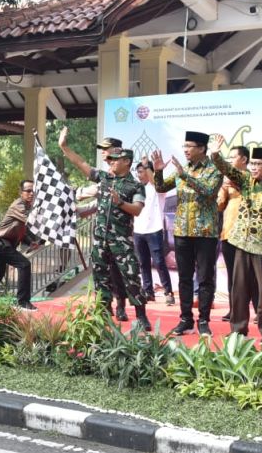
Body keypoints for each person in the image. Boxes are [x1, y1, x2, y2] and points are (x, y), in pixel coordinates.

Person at [59, 130, 151, 329]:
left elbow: (136, 210)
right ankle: (104, 313)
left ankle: (141, 316)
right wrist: (64, 147)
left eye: (114, 160)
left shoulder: (135, 186)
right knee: (101, 279)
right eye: (109, 160)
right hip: (100, 240)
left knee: (132, 278)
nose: (110, 162)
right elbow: (81, 163)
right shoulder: (103, 178)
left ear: (126, 161)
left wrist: (120, 203)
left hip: (121, 241)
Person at [211, 138, 262, 344]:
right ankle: (238, 330)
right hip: (241, 243)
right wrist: (215, 154)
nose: (254, 167)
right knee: (238, 289)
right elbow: (226, 169)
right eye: (253, 164)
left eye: (259, 164)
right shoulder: (246, 180)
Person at [152, 131, 223, 336]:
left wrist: (184, 175)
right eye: (184, 146)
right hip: (182, 231)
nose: (185, 150)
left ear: (201, 148)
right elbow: (160, 187)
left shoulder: (214, 169)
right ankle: (185, 319)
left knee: (205, 278)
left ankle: (203, 321)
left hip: (205, 233)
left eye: (189, 146)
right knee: (184, 278)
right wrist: (157, 172)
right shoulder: (183, 170)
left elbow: (209, 191)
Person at [0, 179, 41, 311]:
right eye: (28, 191)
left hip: (2, 244)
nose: (31, 193)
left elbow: (21, 229)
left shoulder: (26, 207)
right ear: (20, 192)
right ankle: (23, 302)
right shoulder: (18, 205)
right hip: (0, 243)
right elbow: (30, 222)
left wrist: (29, 242)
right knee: (24, 264)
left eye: (33, 191)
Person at [133, 157, 174, 306]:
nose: (139, 174)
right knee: (143, 263)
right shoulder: (136, 187)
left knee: (159, 262)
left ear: (148, 172)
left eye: (141, 171)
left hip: (154, 230)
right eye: (137, 171)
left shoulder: (157, 188)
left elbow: (156, 183)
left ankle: (168, 292)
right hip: (138, 230)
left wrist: (149, 167)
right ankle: (148, 291)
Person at [217, 145, 248, 320]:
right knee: (233, 275)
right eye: (227, 158)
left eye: (233, 157)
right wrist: (222, 189)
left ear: (244, 159)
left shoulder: (252, 178)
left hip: (246, 235)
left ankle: (258, 310)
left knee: (249, 275)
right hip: (228, 233)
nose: (229, 161)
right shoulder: (226, 181)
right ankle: (234, 309)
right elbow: (219, 206)